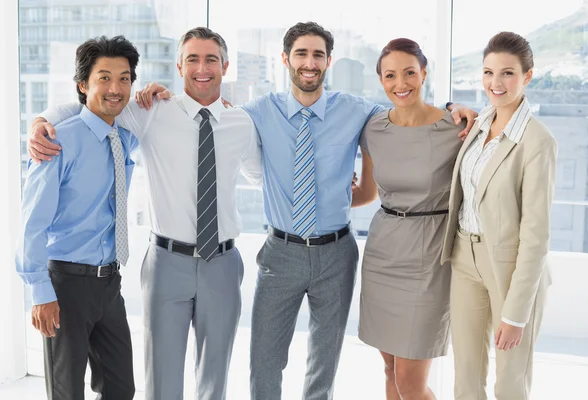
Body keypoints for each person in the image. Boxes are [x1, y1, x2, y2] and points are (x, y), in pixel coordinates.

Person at [133, 21, 477, 400]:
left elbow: (407, 106)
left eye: (317, 54)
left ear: (329, 61)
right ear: (285, 59)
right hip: (281, 253)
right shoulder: (255, 113)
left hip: (337, 253)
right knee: (264, 360)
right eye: (301, 54)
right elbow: (212, 116)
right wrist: (157, 92)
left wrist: (452, 107)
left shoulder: (358, 111)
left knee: (323, 363)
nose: (309, 63)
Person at [27, 27, 262, 400]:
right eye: (192, 59)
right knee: (159, 381)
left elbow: (264, 174)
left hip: (221, 261)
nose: (202, 68)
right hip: (164, 262)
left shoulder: (242, 123)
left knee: (212, 375)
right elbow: (95, 108)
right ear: (179, 66)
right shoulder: (150, 112)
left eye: (211, 59)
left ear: (225, 66)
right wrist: (41, 121)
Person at [15, 35, 139, 400]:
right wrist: (40, 291)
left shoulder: (126, 137)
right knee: (67, 392)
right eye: (104, 78)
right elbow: (32, 222)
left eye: (125, 78)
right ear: (83, 85)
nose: (115, 88)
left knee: (120, 388)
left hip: (110, 282)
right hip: (65, 284)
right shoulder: (57, 141)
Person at [440, 31, 557, 400]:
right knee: (466, 378)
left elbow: (536, 236)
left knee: (510, 383)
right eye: (489, 72)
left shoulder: (538, 142)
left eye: (507, 73)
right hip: (464, 259)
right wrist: (452, 108)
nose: (496, 82)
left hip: (510, 268)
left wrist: (517, 312)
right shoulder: (477, 125)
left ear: (527, 76)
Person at [351, 38, 466, 400]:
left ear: (424, 74)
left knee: (410, 381)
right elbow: (368, 194)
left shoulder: (456, 125)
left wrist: (461, 108)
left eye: (409, 73)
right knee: (389, 370)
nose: (400, 84)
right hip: (384, 252)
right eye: (390, 76)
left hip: (430, 256)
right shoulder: (373, 129)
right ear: (381, 80)